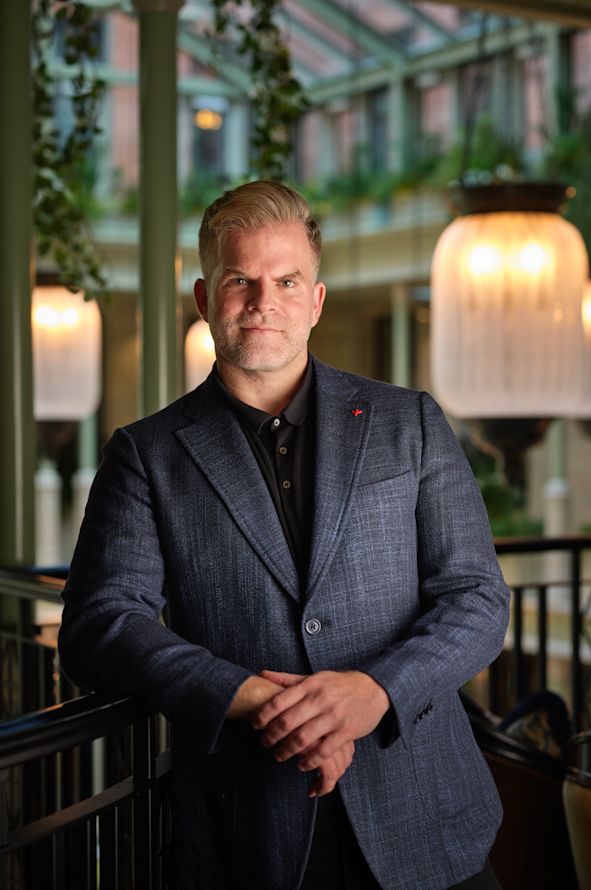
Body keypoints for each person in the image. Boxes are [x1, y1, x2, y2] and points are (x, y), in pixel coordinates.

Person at [59, 180, 510, 890]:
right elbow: (99, 625)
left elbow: (477, 598)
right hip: (250, 833)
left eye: (287, 280)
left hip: (427, 818)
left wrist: (372, 692)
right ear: (207, 299)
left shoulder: (409, 422)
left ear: (316, 300)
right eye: (241, 280)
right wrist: (261, 701)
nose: (264, 301)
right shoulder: (146, 454)